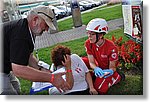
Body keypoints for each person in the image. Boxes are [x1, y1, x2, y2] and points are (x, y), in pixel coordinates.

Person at [2, 6, 70, 95]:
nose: (46, 29)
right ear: (35, 20)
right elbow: (18, 70)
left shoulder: (27, 30)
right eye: (46, 24)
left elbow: (28, 55)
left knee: (16, 88)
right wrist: (52, 78)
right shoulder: (21, 35)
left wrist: (41, 69)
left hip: (5, 68)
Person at [82, 18, 124, 94]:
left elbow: (112, 67)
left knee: (99, 89)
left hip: (107, 69)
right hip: (98, 65)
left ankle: (117, 77)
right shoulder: (88, 43)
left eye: (92, 34)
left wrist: (111, 71)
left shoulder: (111, 48)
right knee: (80, 61)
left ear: (101, 35)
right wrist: (96, 68)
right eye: (88, 33)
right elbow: (91, 62)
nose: (89, 36)